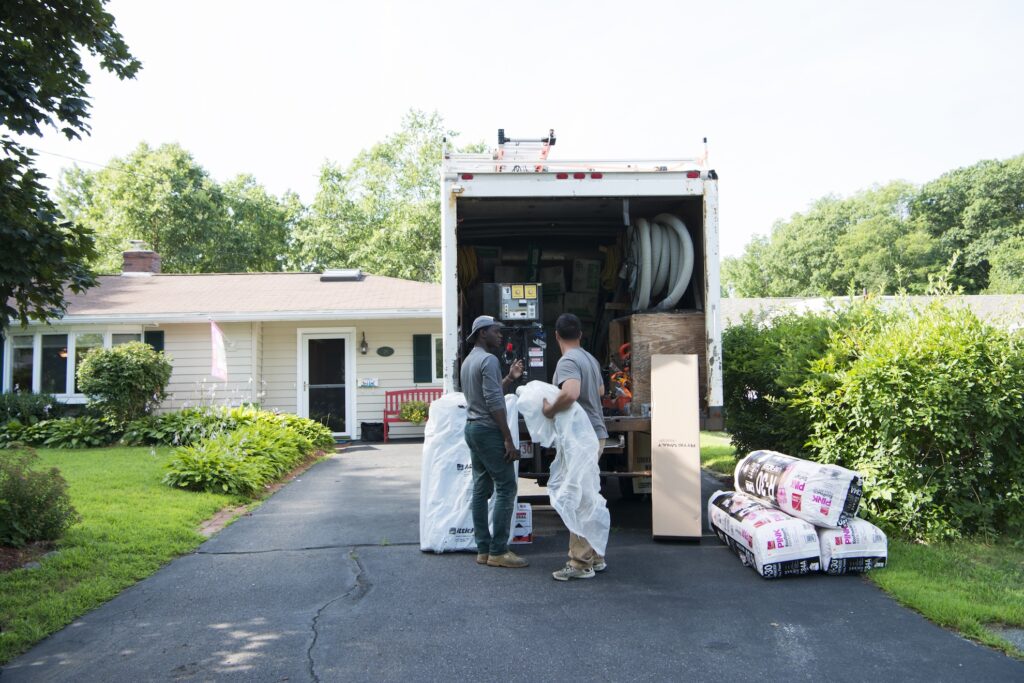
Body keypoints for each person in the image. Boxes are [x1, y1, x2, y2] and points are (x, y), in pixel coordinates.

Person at [542, 312, 609, 581]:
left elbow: (571, 393)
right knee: (589, 494)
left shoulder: (568, 360)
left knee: (577, 497)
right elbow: (601, 391)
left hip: (581, 437)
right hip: (596, 433)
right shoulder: (589, 359)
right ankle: (596, 556)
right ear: (580, 334)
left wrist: (549, 409)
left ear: (556, 335)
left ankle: (581, 563)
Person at [460, 315, 528, 568]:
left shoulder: (470, 361)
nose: (501, 336)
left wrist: (509, 378)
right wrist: (508, 439)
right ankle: (498, 551)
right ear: (481, 334)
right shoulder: (488, 360)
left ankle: (483, 549)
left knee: (480, 488)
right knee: (506, 486)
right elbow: (494, 402)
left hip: (472, 429)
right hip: (488, 431)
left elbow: (488, 392)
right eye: (496, 332)